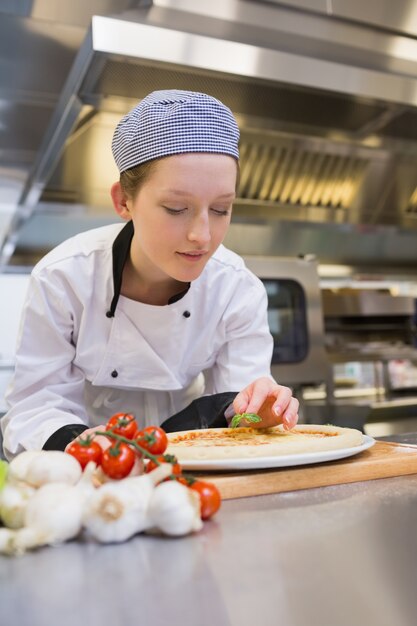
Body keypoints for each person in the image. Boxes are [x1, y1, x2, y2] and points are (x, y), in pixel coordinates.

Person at [1, 90, 299, 459]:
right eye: (176, 208)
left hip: (196, 465)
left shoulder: (236, 288)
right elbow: (34, 408)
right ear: (123, 201)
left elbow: (240, 406)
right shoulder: (64, 278)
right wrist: (79, 442)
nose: (202, 236)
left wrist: (259, 412)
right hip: (88, 471)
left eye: (221, 209)